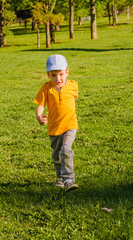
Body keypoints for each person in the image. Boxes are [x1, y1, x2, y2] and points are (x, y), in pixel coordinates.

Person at [34, 54, 79, 192]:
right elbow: (41, 104)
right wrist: (39, 116)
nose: (58, 78)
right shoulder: (46, 88)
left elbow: (72, 100)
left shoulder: (73, 85)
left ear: (67, 72)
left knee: (66, 150)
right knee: (56, 155)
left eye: (60, 74)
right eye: (53, 75)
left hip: (70, 125)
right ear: (48, 75)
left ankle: (69, 180)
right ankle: (60, 177)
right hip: (54, 127)